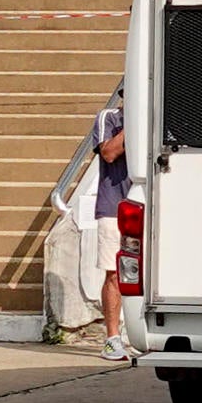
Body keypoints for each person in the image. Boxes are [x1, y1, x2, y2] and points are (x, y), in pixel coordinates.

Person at [91, 93, 133, 361]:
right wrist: (135, 125)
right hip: (113, 207)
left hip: (147, 205)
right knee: (114, 273)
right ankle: (112, 338)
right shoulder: (109, 118)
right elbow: (108, 153)